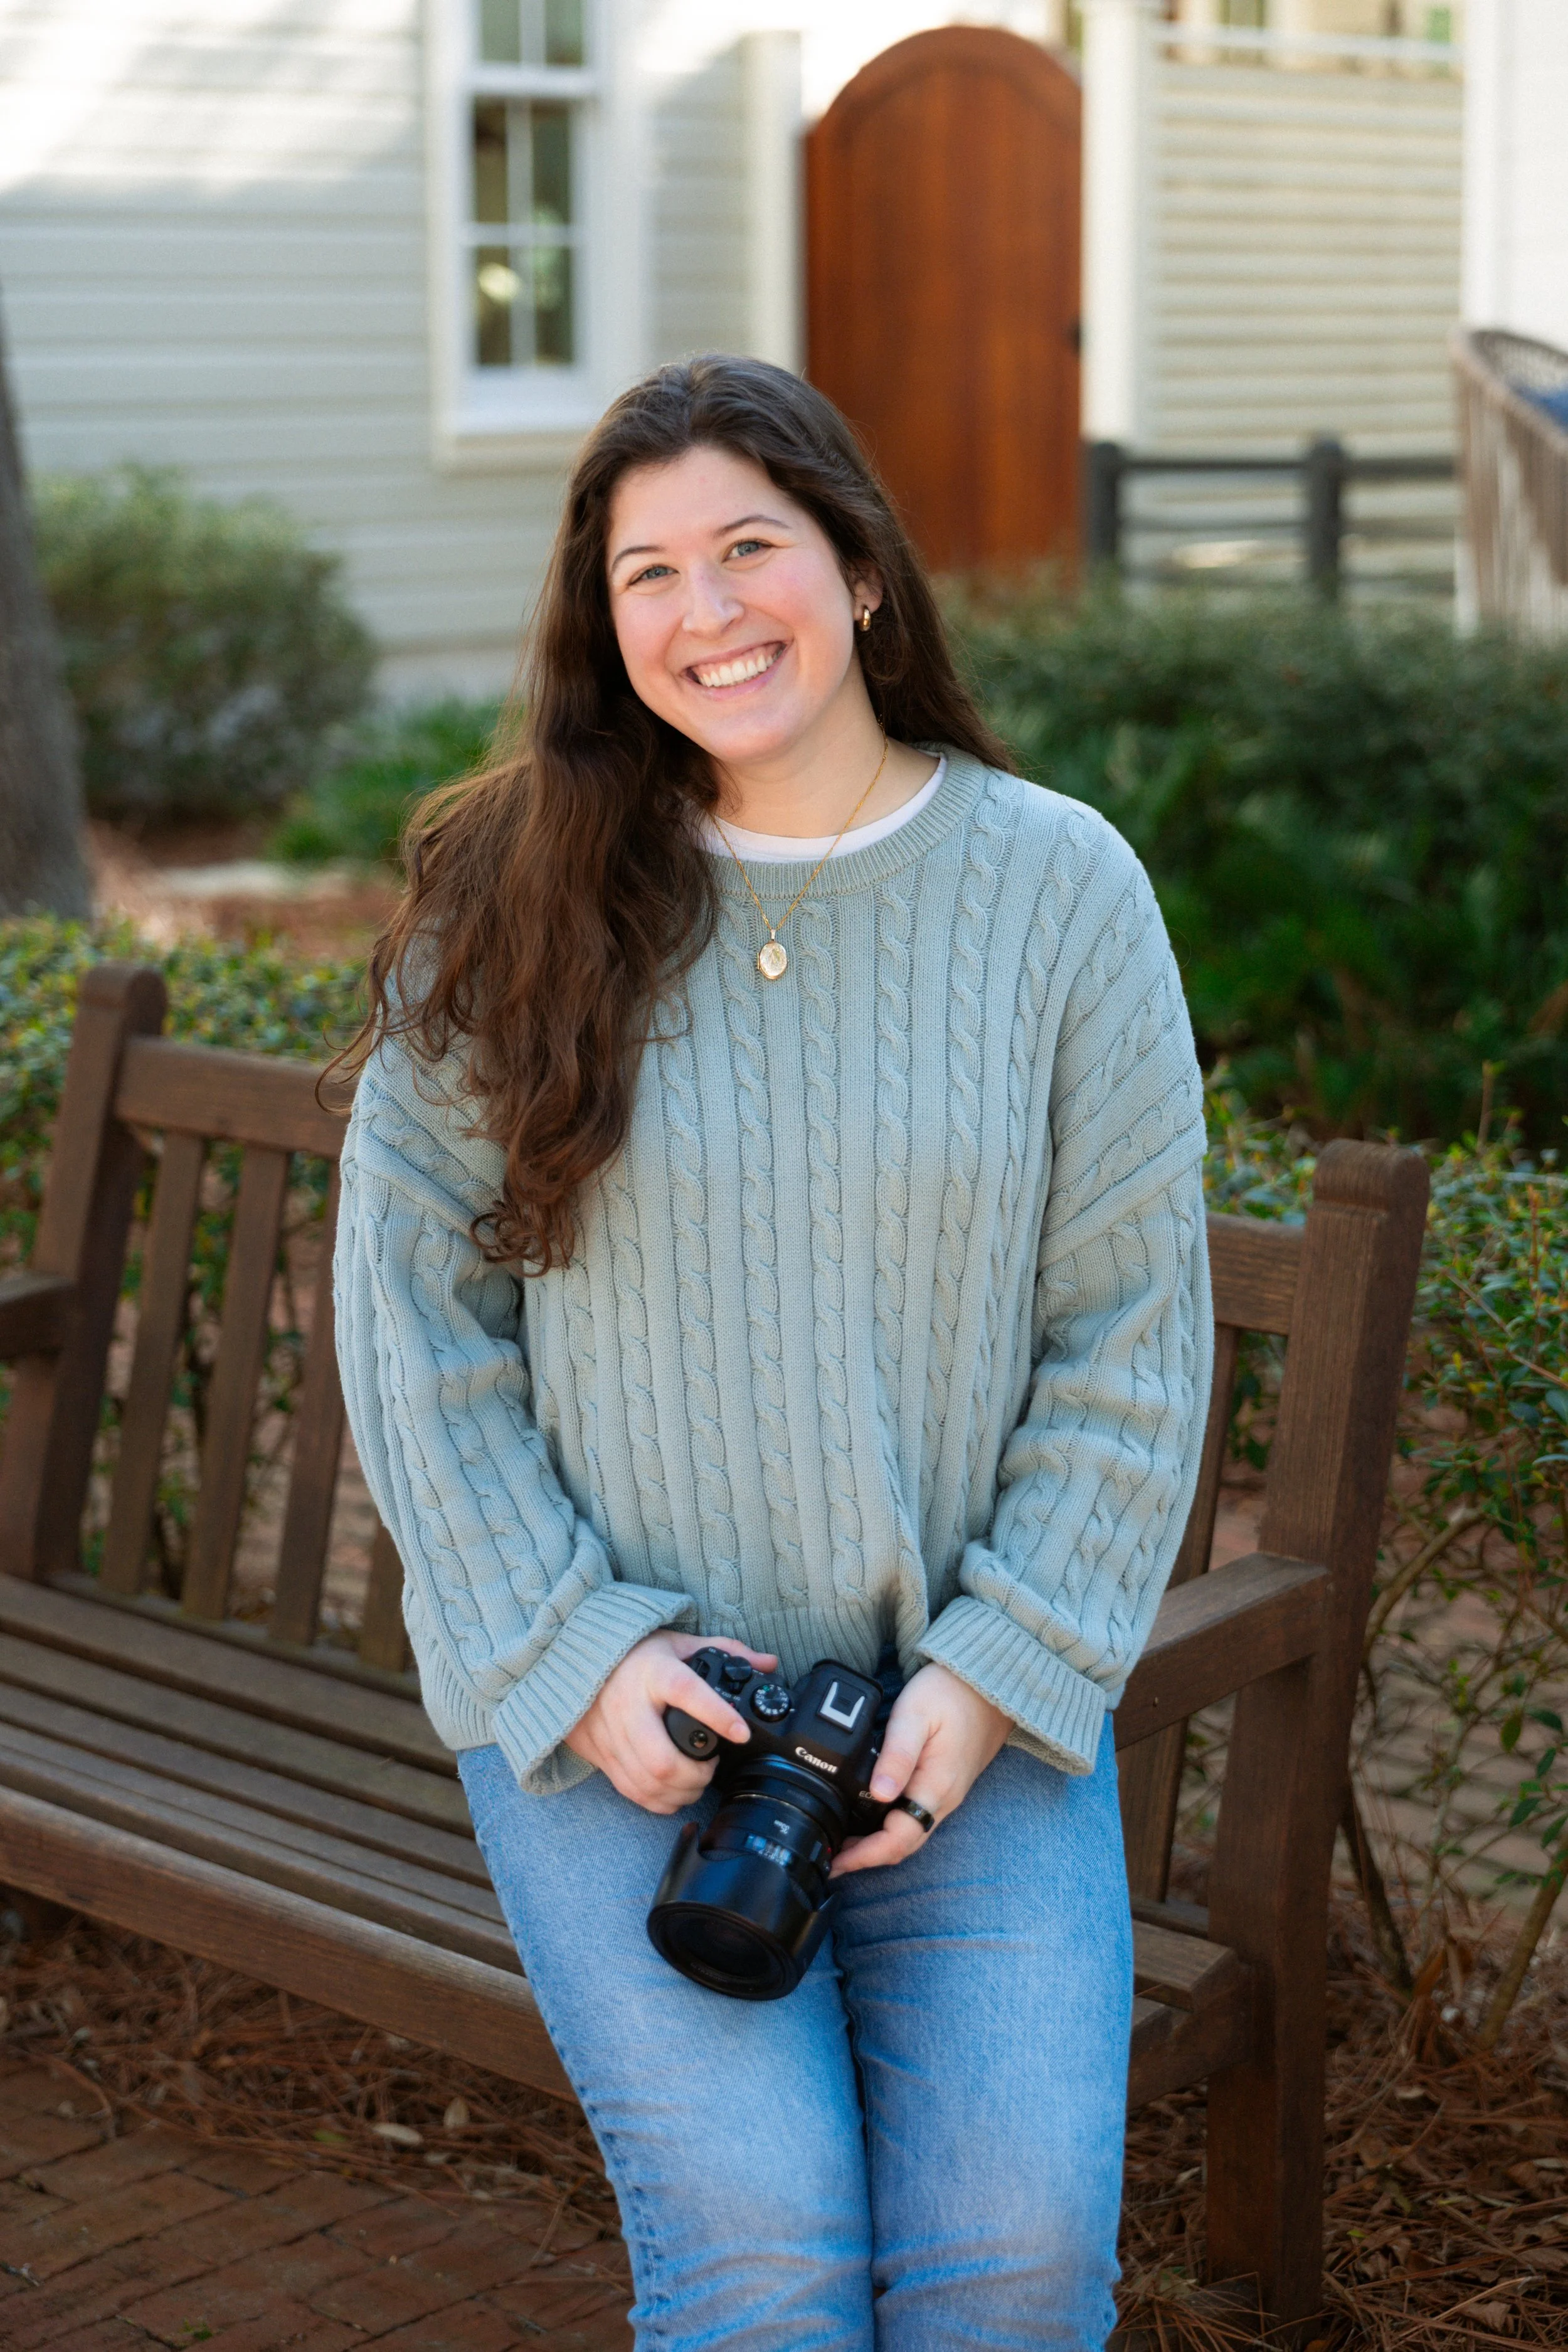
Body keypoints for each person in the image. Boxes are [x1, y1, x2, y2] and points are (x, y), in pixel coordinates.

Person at [333, 354, 1213, 2351]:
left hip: (960, 1720)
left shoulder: (1062, 891)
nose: (707, 612)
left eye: (752, 548)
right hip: (617, 1718)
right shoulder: (512, 898)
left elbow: (1129, 1341)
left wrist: (992, 1679)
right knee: (767, 2252)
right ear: (601, 619)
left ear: (863, 573)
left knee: (1013, 2252)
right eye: (649, 572)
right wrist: (578, 1654)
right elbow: (414, 1321)